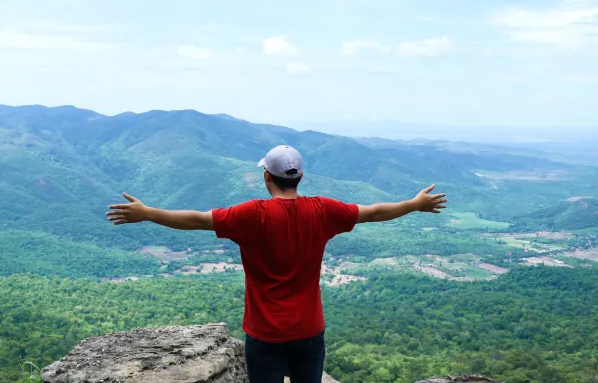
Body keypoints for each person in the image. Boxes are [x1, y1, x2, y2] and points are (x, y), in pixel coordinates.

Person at [107, 145, 448, 383]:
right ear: (300, 177)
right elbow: (374, 212)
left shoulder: (251, 215)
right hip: (310, 328)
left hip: (265, 331)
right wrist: (415, 204)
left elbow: (197, 219)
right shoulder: (322, 210)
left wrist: (148, 213)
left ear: (267, 177)